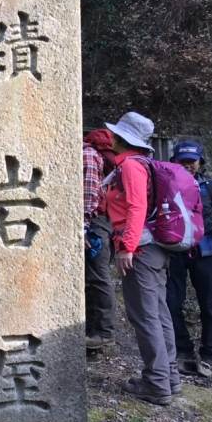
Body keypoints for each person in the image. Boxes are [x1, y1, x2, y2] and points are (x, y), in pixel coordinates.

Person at [104, 112, 180, 405]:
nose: (111, 137)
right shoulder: (144, 163)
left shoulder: (131, 167)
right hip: (153, 248)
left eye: (115, 134)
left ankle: (157, 383)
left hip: (142, 250)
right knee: (158, 313)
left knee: (145, 316)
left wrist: (127, 246)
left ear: (123, 139)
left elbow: (136, 207)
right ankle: (169, 377)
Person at [166, 141, 212, 377]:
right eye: (183, 161)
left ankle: (210, 354)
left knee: (209, 304)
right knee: (172, 302)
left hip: (206, 250)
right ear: (174, 162)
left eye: (192, 161)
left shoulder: (211, 187)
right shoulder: (167, 184)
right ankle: (182, 350)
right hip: (175, 250)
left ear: (200, 162)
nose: (188, 165)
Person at [83, 129, 116, 349]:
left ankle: (104, 333)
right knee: (94, 276)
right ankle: (94, 330)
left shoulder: (88, 154)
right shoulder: (96, 154)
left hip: (95, 222)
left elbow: (88, 193)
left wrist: (83, 226)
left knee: (98, 276)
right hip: (103, 220)